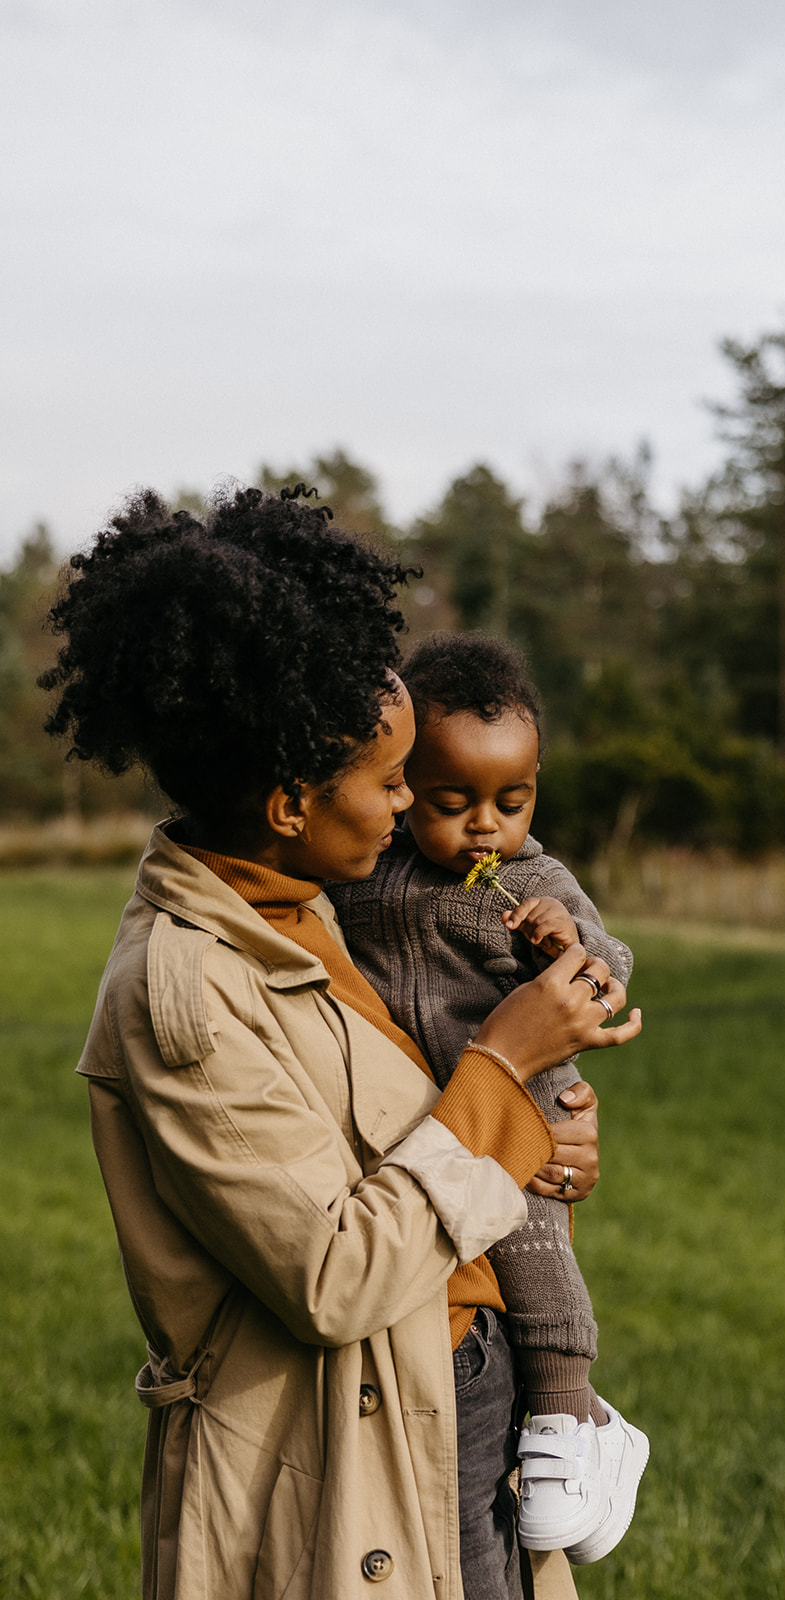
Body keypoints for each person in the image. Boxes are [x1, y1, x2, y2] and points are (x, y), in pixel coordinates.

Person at [39, 485, 641, 1600]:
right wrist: (503, 1069)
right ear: (286, 801)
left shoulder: (310, 903)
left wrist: (540, 1139)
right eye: (389, 780)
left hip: (457, 1379)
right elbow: (332, 1271)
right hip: (350, 1439)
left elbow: (405, 1126)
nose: (411, 804)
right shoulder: (186, 990)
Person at [327, 632, 649, 1565]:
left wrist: (564, 947)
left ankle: (566, 1417)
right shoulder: (367, 874)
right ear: (401, 785)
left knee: (531, 1243)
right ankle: (573, 1418)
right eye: (450, 801)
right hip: (430, 1106)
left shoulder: (532, 880)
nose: (483, 828)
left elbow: (608, 969)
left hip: (518, 1095)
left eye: (512, 802)